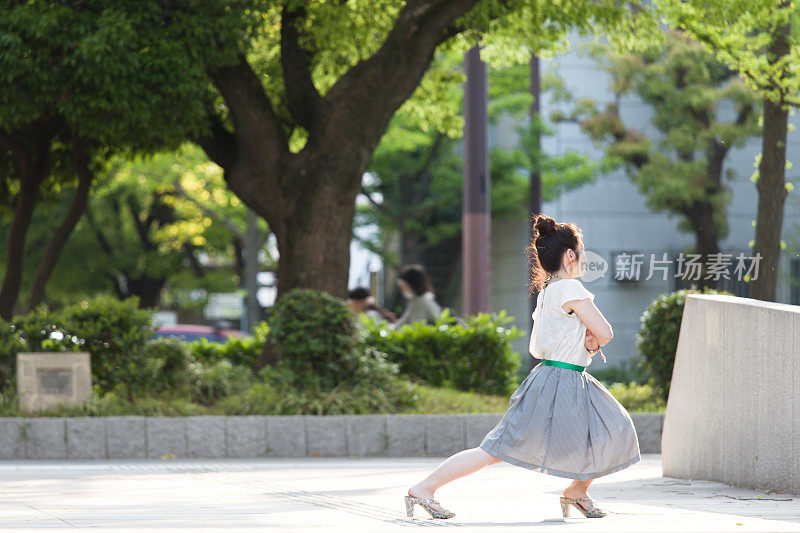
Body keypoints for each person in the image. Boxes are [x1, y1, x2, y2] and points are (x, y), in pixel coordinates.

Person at [404, 214, 641, 520]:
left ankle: (577, 491)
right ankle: (424, 488)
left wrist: (588, 342)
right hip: (559, 380)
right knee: (495, 449)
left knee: (609, 429)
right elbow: (606, 332)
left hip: (559, 378)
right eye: (581, 252)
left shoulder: (548, 292)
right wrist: (593, 341)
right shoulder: (570, 289)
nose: (583, 258)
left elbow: (565, 338)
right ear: (570, 256)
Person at [390, 264, 443, 329]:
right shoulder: (419, 299)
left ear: (410, 284)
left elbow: (413, 325)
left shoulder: (421, 301)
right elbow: (402, 322)